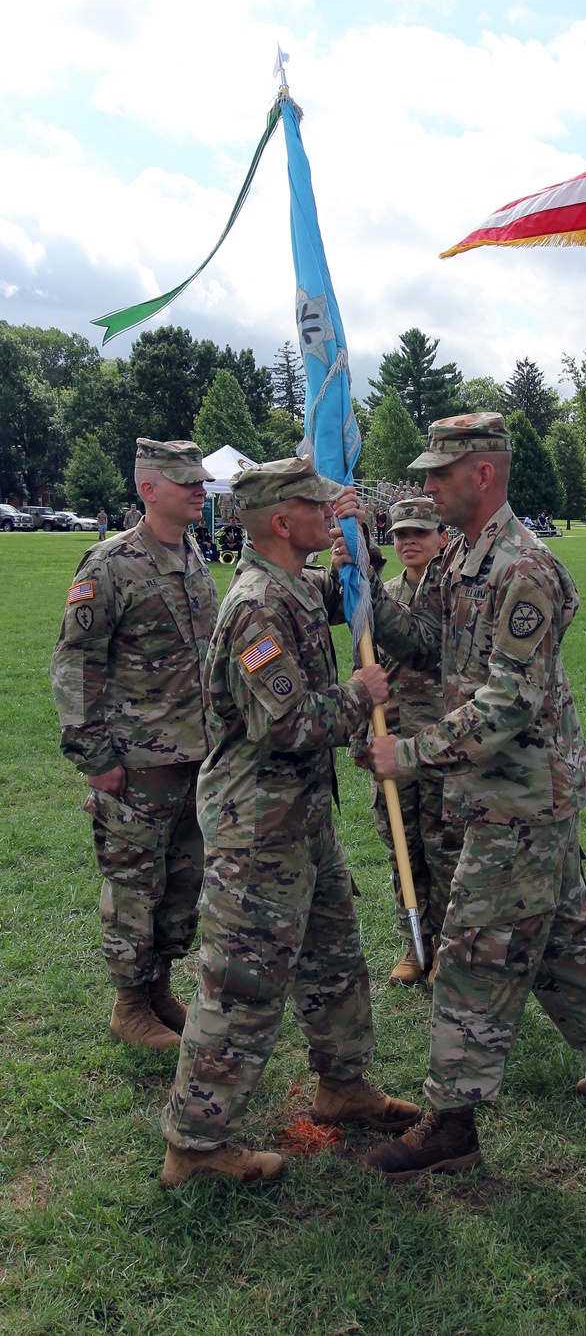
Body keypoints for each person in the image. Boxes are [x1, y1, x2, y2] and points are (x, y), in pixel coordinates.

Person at [335, 413, 586, 1181]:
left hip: (520, 801)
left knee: (473, 952)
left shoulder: (523, 570)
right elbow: (416, 637)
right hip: (509, 796)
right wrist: (359, 560)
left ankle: (451, 1123)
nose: (426, 487)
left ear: (483, 474)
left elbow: (509, 703)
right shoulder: (467, 560)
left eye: (438, 474)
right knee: (565, 945)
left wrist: (405, 753)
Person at [160, 457, 420, 1189]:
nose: (328, 510)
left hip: (302, 818)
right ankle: (195, 1143)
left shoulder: (293, 589)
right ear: (282, 520)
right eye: (317, 504)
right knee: (242, 985)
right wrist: (357, 693)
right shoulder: (255, 608)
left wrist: (355, 541)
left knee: (333, 956)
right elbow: (289, 723)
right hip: (257, 831)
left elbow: (347, 598)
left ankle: (343, 1085)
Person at [50, 439, 218, 1051]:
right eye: (185, 482)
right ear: (149, 490)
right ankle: (128, 1005)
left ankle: (158, 990)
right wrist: (94, 757)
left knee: (180, 881)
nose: (199, 490)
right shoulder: (110, 564)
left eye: (200, 480)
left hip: (194, 757)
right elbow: (75, 664)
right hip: (137, 762)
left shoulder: (192, 554)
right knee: (132, 884)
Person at [364, 496, 462, 985]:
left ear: (441, 537)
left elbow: (417, 645)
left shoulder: (453, 592)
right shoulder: (384, 591)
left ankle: (446, 945)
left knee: (445, 846)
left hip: (442, 740)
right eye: (400, 534)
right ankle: (413, 943)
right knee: (401, 846)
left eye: (420, 533)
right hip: (393, 737)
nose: (408, 542)